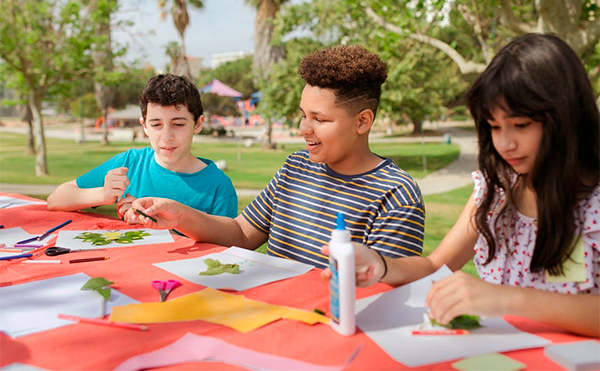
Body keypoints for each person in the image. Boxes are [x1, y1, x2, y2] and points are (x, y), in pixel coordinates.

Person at [324, 34, 599, 337]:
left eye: (521, 125)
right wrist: (379, 264)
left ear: (566, 117)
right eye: (494, 127)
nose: (505, 143)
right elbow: (435, 266)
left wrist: (507, 299)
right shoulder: (497, 191)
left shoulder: (593, 205)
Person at [131, 45, 425, 269]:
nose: (303, 129)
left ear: (362, 121)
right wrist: (178, 214)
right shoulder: (296, 168)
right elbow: (241, 233)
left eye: (319, 119)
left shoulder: (396, 194)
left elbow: (385, 289)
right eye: (302, 115)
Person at [47, 74, 238, 220]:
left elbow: (225, 255)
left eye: (178, 124)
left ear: (198, 124)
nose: (166, 136)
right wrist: (102, 195)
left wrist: (154, 223)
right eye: (156, 125)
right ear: (144, 126)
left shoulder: (218, 187)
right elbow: (55, 200)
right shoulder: (130, 163)